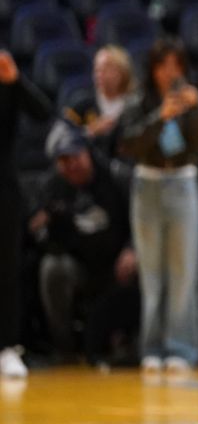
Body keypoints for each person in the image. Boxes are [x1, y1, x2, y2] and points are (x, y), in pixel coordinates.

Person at [117, 38, 198, 374]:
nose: (170, 72)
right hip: (148, 184)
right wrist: (161, 116)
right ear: (152, 68)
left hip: (183, 182)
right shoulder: (139, 101)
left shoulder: (193, 101)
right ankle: (152, 347)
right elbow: (127, 143)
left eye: (176, 65)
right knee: (153, 272)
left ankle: (182, 348)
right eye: (163, 65)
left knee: (183, 270)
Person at [30, 128, 138, 367]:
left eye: (75, 157)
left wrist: (132, 249)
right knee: (52, 268)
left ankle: (129, 343)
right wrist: (45, 225)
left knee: (142, 267)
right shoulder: (53, 186)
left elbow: (139, 219)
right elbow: (41, 237)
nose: (71, 165)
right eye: (64, 160)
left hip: (116, 262)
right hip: (81, 264)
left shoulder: (115, 176)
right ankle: (64, 346)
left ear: (88, 153)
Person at [0, 50, 53, 379]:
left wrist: (16, 81)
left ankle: (7, 348)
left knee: (6, 269)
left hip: (3, 187)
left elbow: (43, 112)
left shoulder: (6, 78)